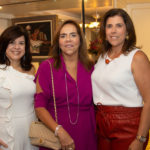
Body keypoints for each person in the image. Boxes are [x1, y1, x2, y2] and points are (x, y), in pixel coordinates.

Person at [92, 8, 150, 150]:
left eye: (119, 26)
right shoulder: (101, 57)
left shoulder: (137, 57)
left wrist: (140, 138)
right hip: (102, 124)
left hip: (128, 126)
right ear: (104, 31)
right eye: (109, 26)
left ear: (127, 30)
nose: (113, 31)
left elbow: (149, 100)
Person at [34, 20, 97, 150]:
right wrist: (59, 131)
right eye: (63, 36)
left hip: (87, 134)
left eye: (73, 35)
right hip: (56, 136)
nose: (68, 40)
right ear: (58, 42)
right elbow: (39, 107)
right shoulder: (47, 67)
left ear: (80, 40)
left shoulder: (90, 67)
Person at [0, 25, 38, 150]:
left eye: (21, 43)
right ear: (4, 44)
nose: (16, 47)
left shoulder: (31, 69)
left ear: (26, 47)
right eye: (12, 42)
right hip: (7, 132)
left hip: (31, 130)